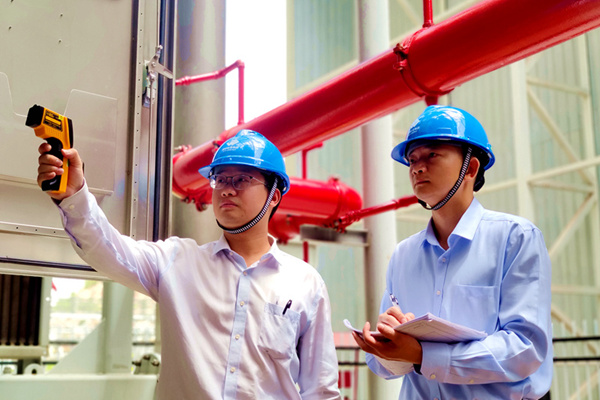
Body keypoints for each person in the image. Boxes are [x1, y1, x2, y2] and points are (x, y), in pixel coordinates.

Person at [37, 129, 341, 400]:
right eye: (220, 178)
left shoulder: (305, 283)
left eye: (242, 179)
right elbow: (106, 248)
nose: (227, 189)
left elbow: (321, 391)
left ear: (274, 197)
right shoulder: (177, 262)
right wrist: (73, 195)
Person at [351, 105, 553, 399]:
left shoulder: (515, 239)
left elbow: (524, 348)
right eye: (412, 159)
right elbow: (385, 367)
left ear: (470, 168)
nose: (418, 167)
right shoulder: (403, 255)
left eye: (432, 155)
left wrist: (423, 354)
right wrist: (386, 345)